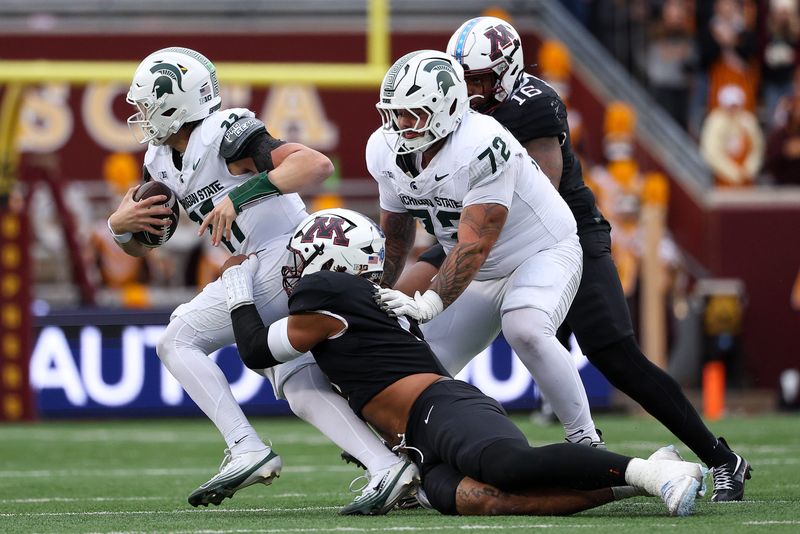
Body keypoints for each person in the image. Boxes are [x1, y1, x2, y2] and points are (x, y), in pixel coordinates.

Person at [395, 17, 750, 501]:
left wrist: (460, 248)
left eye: (479, 79)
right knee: (415, 329)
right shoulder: (449, 112)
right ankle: (409, 459)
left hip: (556, 231)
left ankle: (719, 457)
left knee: (610, 350)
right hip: (478, 231)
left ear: (507, 72)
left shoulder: (533, 105)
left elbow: (545, 193)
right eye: (463, 78)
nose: (469, 90)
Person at [221, 207, 706, 517]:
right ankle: (638, 480)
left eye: (301, 258)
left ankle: (647, 471)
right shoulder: (356, 297)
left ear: (329, 264)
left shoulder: (330, 296)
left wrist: (239, 294)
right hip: (416, 442)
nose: (293, 271)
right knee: (498, 501)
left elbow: (255, 350)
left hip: (440, 407)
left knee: (512, 466)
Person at [107, 46, 414, 512]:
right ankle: (388, 468)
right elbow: (142, 247)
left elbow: (315, 165)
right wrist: (120, 227)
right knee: (301, 386)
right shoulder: (160, 160)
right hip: (264, 266)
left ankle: (245, 448)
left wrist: (243, 194)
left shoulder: (223, 134)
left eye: (147, 105)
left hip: (286, 254)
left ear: (178, 103)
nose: (140, 116)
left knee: (177, 340)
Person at [368, 49, 603, 448]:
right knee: (423, 359)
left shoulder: (483, 144)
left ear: (445, 108)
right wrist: (374, 292)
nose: (400, 124)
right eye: (394, 112)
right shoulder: (383, 149)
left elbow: (475, 245)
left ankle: (585, 440)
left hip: (540, 250)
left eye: (413, 113)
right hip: (482, 268)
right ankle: (412, 454)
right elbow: (395, 235)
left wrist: (430, 303)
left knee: (525, 328)